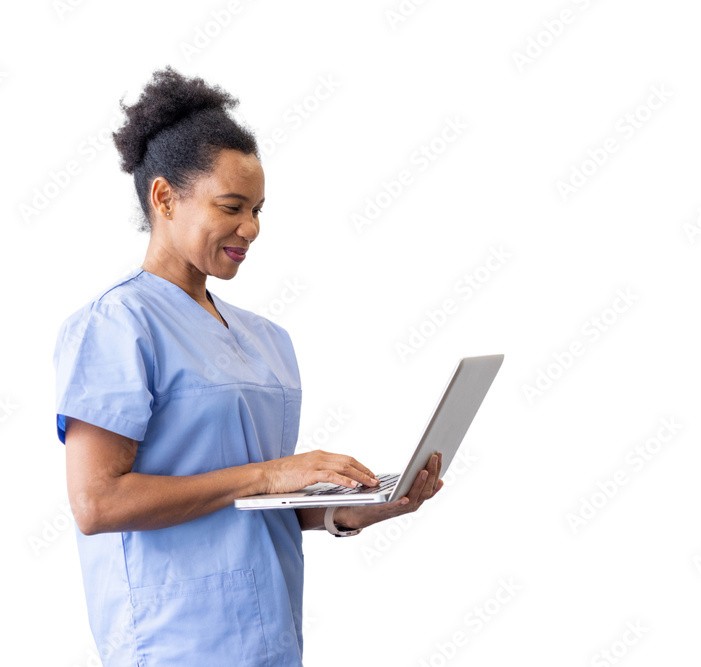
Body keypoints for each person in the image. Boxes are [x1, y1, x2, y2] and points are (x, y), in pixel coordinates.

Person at [52, 67, 444, 666]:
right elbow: (97, 504)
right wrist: (269, 474)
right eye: (232, 207)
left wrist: (353, 510)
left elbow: (261, 503)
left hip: (271, 632)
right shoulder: (117, 325)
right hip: (176, 640)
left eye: (258, 209)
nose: (252, 229)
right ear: (164, 198)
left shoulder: (266, 338)